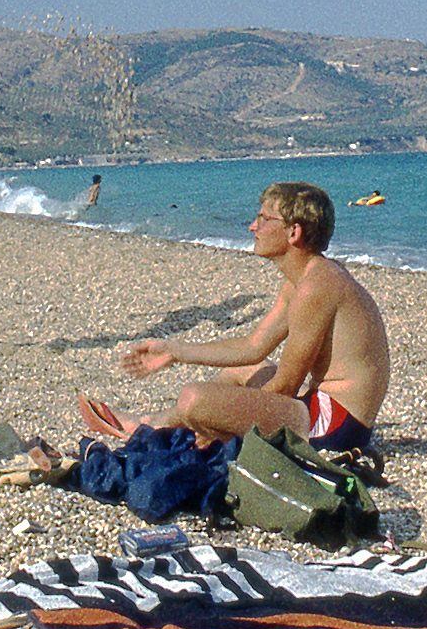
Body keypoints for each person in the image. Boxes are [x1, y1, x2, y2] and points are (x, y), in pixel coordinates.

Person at [88, 182, 390, 450]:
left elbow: (285, 386)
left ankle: (156, 429)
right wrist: (175, 351)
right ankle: (152, 423)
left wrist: (220, 423)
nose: (252, 227)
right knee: (246, 371)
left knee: (194, 399)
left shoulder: (317, 286)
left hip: (337, 426)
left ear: (293, 232)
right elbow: (254, 345)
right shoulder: (302, 280)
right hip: (319, 407)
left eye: (263, 219)